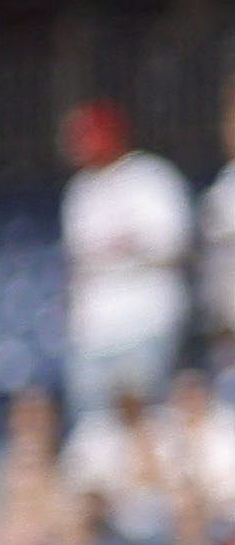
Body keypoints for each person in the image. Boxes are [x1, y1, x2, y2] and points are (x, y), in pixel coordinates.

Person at [63, 98, 195, 406]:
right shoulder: (79, 190)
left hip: (148, 319)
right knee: (96, 427)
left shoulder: (150, 177)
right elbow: (79, 263)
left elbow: (174, 247)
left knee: (148, 418)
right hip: (95, 330)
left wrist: (123, 251)